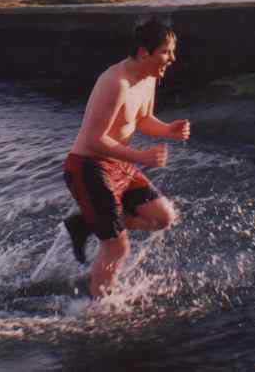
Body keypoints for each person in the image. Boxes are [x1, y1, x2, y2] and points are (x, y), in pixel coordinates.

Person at [62, 18, 190, 299]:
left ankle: (85, 222)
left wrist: (168, 130)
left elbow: (142, 119)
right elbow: (96, 140)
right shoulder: (115, 83)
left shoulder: (148, 78)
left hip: (116, 164)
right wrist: (140, 156)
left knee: (162, 217)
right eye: (166, 52)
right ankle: (98, 311)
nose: (172, 58)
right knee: (118, 247)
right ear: (145, 52)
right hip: (88, 167)